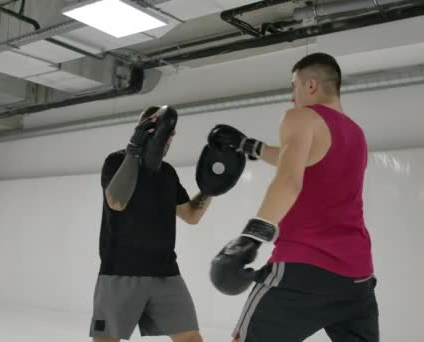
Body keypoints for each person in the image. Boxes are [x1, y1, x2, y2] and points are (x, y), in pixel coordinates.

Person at [209, 52, 379, 342]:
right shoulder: (356, 133)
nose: (292, 96)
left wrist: (250, 238)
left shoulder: (301, 117)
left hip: (303, 269)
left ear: (310, 85)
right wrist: (249, 146)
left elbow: (289, 180)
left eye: (294, 86)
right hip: (357, 279)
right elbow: (300, 159)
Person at [90, 105, 212, 342]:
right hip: (120, 273)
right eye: (163, 134)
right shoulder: (116, 161)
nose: (167, 141)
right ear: (144, 131)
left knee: (191, 338)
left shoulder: (167, 172)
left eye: (170, 136)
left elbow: (190, 215)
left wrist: (211, 188)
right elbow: (116, 202)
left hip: (165, 273)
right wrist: (133, 152)